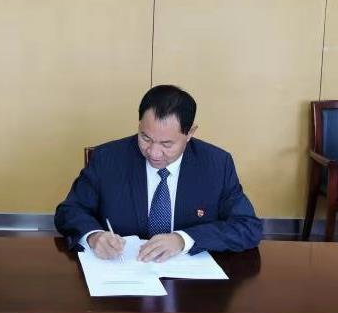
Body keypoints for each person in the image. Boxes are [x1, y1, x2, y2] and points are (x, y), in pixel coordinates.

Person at [54, 84, 262, 263]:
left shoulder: (216, 164)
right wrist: (94, 236)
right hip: (122, 277)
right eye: (145, 138)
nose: (153, 153)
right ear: (139, 125)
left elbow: (247, 227)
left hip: (190, 285)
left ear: (190, 133)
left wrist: (183, 239)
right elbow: (70, 211)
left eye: (166, 144)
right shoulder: (107, 159)